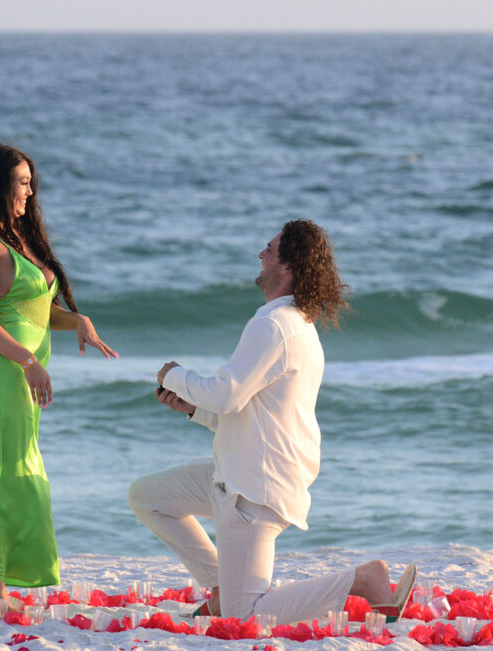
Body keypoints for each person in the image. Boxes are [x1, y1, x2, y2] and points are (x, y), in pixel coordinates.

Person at [128, 220, 415, 626]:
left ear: (289, 266)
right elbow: (250, 412)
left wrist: (174, 374)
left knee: (245, 617)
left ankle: (362, 580)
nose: (261, 254)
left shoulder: (274, 325)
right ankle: (220, 584)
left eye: (269, 248)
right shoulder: (293, 324)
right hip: (236, 472)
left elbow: (226, 394)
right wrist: (193, 409)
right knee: (147, 496)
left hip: (254, 489)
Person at [0, 141, 117, 605]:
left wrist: (77, 320)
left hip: (20, 377)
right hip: (2, 375)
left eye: (31, 183)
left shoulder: (19, 238)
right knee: (0, 479)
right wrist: (28, 363)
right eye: (22, 183)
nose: (30, 192)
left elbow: (36, 312)